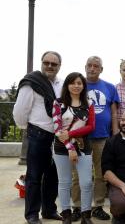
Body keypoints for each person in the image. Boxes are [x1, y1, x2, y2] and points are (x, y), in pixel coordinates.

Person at [13, 51, 64, 224]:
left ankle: (49, 210)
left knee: (53, 176)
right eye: (47, 62)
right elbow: (20, 112)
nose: (50, 66)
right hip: (38, 135)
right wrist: (29, 129)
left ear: (59, 66)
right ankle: (32, 215)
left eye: (54, 64)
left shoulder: (61, 84)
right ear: (42, 63)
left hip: (57, 138)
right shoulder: (31, 83)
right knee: (34, 177)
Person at [71, 56, 120, 221]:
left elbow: (114, 113)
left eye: (96, 66)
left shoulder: (109, 87)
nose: (92, 68)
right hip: (80, 138)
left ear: (101, 69)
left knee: (101, 174)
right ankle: (77, 207)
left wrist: (115, 135)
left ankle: (98, 206)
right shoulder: (78, 86)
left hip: (103, 138)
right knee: (77, 175)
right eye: (89, 65)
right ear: (85, 67)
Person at [52, 72, 95, 224]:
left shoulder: (89, 103)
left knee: (86, 182)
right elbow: (57, 130)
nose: (76, 86)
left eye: (79, 83)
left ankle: (86, 215)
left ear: (83, 86)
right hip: (61, 147)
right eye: (73, 83)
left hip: (83, 147)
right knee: (64, 182)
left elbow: (91, 126)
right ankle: (66, 215)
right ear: (67, 85)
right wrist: (70, 147)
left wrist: (70, 133)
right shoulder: (58, 103)